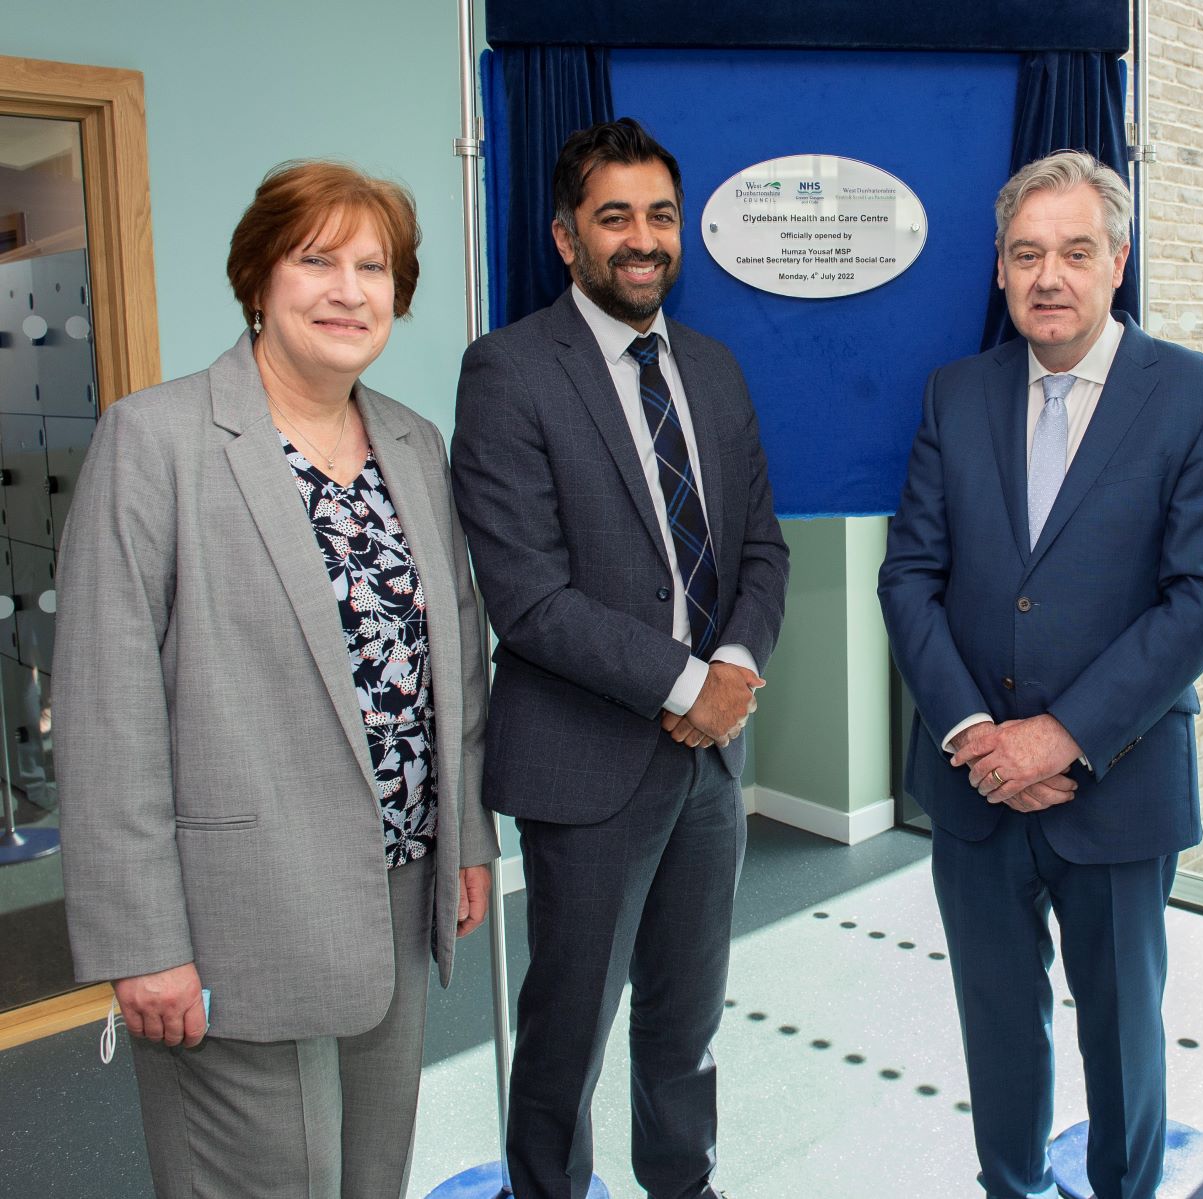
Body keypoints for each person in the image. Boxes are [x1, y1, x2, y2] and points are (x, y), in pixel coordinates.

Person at [55, 160, 498, 1198]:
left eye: (374, 266)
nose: (349, 289)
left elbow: (457, 663)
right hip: (231, 909)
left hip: (394, 891)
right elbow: (104, 711)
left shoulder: (410, 441)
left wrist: (464, 840)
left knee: (367, 1176)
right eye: (316, 260)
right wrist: (141, 940)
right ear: (257, 278)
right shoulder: (155, 439)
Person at [879, 149, 1203, 1199]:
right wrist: (970, 735)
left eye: (1075, 252)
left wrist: (1060, 735)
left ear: (1115, 260)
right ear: (998, 268)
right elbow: (909, 576)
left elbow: (1198, 599)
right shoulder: (955, 393)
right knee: (996, 1026)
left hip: (1117, 784)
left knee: (1124, 1035)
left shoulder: (1193, 395)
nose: (1050, 277)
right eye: (1026, 254)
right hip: (971, 784)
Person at [450, 117, 788, 1199]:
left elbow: (759, 549)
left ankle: (682, 1184)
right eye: (613, 218)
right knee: (567, 1036)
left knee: (686, 1023)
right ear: (564, 237)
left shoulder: (714, 366)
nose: (641, 239)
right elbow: (529, 596)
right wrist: (692, 686)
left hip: (709, 769)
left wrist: (731, 664)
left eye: (658, 215)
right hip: (587, 764)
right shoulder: (506, 371)